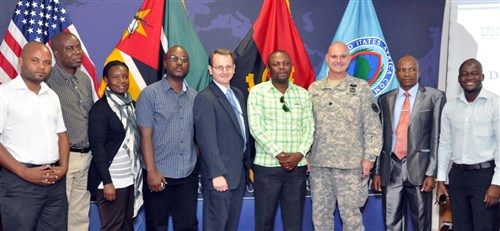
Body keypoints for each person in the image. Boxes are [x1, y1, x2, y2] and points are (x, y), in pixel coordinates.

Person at [308, 41, 382, 230]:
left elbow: (373, 125)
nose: (338, 61)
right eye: (334, 56)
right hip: (320, 165)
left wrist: (369, 157)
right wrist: (307, 156)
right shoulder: (314, 89)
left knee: (352, 220)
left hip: (351, 166)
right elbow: (307, 126)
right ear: (327, 59)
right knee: (321, 218)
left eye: (342, 57)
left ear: (349, 59)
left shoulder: (361, 87)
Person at [0, 42, 70, 230]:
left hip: (54, 183)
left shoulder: (52, 95)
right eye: (35, 60)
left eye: (47, 62)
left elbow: (62, 134)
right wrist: (24, 172)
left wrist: (63, 167)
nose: (42, 66)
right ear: (21, 61)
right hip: (19, 183)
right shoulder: (5, 94)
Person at [372, 55, 446, 230]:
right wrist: (377, 171)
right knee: (391, 222)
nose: (407, 73)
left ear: (419, 72)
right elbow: (379, 137)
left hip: (420, 171)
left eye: (411, 69)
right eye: (402, 70)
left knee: (421, 222)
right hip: (390, 169)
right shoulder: (385, 99)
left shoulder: (434, 97)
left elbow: (437, 137)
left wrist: (431, 173)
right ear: (397, 74)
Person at [247, 50, 314, 231]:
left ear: (291, 67)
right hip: (267, 167)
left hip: (296, 169)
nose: (281, 67)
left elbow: (309, 128)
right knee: (264, 222)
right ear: (269, 69)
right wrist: (279, 154)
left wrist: (299, 155)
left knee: (294, 223)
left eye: (285, 63)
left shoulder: (303, 94)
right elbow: (256, 128)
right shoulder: (257, 93)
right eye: (277, 64)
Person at [136, 45, 199, 231]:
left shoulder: (195, 97)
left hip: (187, 176)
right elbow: (145, 136)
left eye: (184, 59)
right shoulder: (149, 94)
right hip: (159, 176)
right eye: (174, 58)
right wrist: (152, 172)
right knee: (157, 226)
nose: (179, 62)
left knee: (188, 226)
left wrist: (193, 160)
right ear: (165, 63)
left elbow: (199, 135)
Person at [194, 48, 253, 231]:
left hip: (238, 174)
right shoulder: (205, 98)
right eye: (219, 67)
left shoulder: (238, 95)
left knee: (230, 226)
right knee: (216, 226)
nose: (224, 71)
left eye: (228, 67)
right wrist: (217, 174)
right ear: (210, 70)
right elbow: (206, 140)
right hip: (220, 177)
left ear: (234, 69)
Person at [436, 58, 500, 231]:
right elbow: (445, 144)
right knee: (461, 227)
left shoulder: (495, 104)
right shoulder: (450, 107)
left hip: (485, 176)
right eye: (464, 74)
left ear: (483, 77)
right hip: (457, 176)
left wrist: (497, 183)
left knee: (485, 227)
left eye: (474, 73)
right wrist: (441, 179)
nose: (469, 77)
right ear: (459, 79)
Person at [46, 31, 94, 230]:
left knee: (80, 214)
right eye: (70, 49)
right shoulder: (46, 81)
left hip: (87, 156)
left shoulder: (84, 78)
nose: (77, 53)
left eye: (78, 48)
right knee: (57, 214)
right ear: (56, 54)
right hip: (63, 159)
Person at [88, 61, 143, 231]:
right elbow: (97, 148)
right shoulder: (100, 109)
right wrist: (107, 182)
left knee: (127, 225)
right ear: (106, 80)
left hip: (129, 177)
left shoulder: (131, 106)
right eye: (116, 77)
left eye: (125, 77)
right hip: (111, 180)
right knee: (113, 226)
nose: (122, 81)